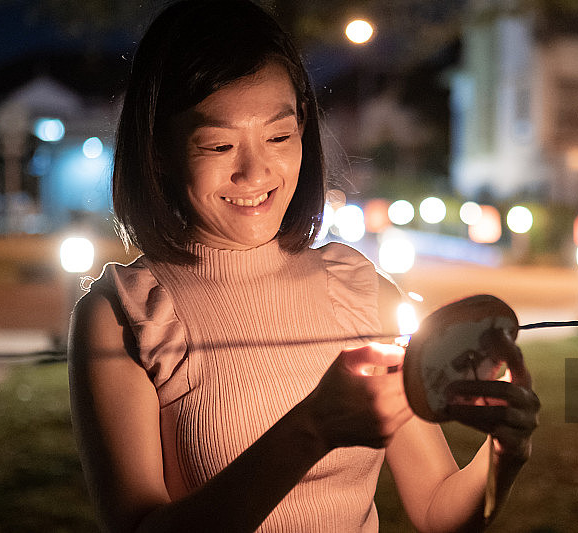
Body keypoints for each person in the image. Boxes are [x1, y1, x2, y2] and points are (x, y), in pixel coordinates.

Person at [66, 1, 540, 532]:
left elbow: (437, 509)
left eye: (278, 137)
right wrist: (311, 430)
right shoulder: (126, 317)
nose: (255, 172)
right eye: (219, 144)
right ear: (159, 150)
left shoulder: (357, 290)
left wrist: (505, 451)